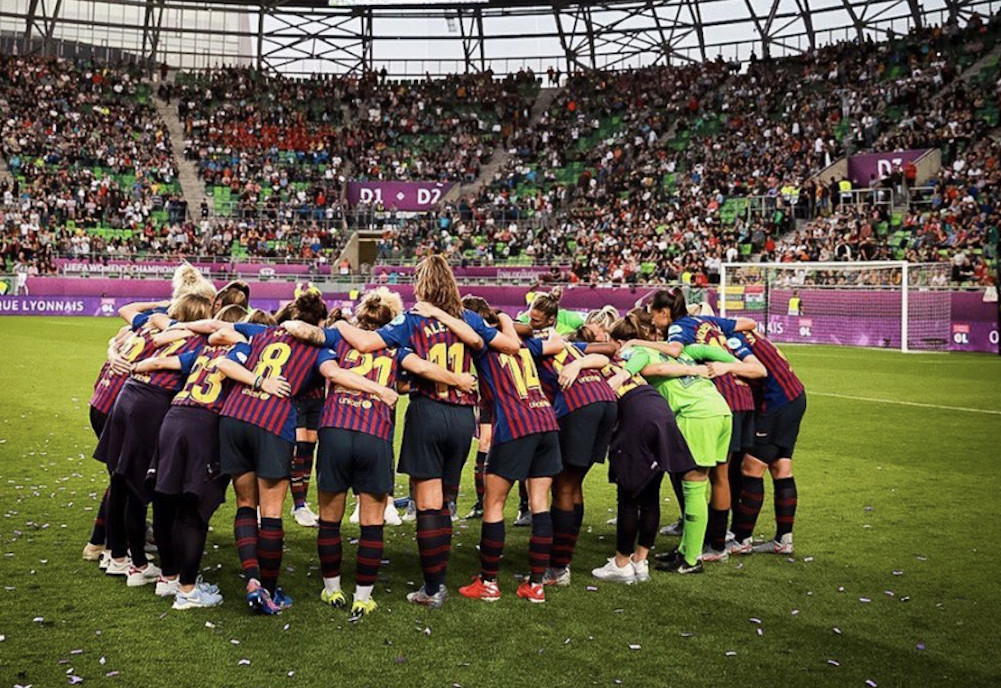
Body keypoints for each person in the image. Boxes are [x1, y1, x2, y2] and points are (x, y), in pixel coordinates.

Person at [322, 255, 520, 609]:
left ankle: (433, 588)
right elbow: (510, 346)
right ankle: (436, 582)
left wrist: (338, 327)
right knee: (444, 500)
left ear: (421, 284)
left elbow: (367, 345)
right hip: (463, 418)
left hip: (428, 411)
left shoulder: (412, 318)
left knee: (427, 502)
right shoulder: (469, 319)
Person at [282, 288, 476, 620]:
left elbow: (299, 331)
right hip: (374, 435)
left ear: (359, 317)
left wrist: (337, 327)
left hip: (335, 430)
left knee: (330, 519)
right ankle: (363, 597)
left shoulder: (337, 341)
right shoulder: (397, 349)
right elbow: (423, 371)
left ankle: (331, 590)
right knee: (372, 522)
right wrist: (458, 380)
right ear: (391, 322)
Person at [209, 290, 329, 614]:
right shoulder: (319, 349)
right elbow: (334, 373)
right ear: (319, 322)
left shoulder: (261, 331)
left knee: (246, 504)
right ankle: (271, 592)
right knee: (272, 511)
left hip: (234, 417)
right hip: (272, 423)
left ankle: (251, 580)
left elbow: (219, 332)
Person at [144, 304, 264, 609]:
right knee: (193, 510)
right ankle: (187, 591)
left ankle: (168, 576)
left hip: (173, 417)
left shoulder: (202, 352)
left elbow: (159, 361)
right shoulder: (243, 349)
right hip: (203, 425)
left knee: (165, 500)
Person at [94, 294, 213, 587]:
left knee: (120, 480)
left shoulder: (165, 331)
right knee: (138, 488)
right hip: (150, 405)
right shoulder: (201, 343)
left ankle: (116, 554)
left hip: (125, 397)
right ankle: (137, 565)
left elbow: (149, 333)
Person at [643, 290, 762, 561]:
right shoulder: (706, 322)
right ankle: (713, 541)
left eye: (653, 314)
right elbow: (749, 323)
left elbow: (674, 350)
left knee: (703, 475)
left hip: (715, 395)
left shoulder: (677, 327)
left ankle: (711, 544)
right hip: (742, 396)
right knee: (723, 475)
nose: (653, 321)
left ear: (664, 312)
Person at [456, 297, 561, 604]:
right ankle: (536, 584)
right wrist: (506, 319)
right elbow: (555, 345)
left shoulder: (483, 346)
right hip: (546, 421)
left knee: (494, 502)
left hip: (516, 425)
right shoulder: (524, 346)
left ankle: (488, 582)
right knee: (540, 501)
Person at [592, 313, 698, 582]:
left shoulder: (604, 360)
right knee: (650, 494)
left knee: (628, 497)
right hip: (660, 411)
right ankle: (640, 562)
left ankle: (621, 564)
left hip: (636, 415)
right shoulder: (630, 356)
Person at [705, 325, 807, 556]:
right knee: (782, 467)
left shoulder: (732, 341)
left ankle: (742, 539)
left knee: (751, 468)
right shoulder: (746, 333)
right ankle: (784, 539)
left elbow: (759, 370)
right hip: (795, 396)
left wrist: (726, 367)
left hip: (777, 403)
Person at [526, 328, 614, 587]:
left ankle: (558, 567)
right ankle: (563, 558)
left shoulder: (530, 350)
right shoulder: (566, 345)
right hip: (606, 401)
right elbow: (606, 356)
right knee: (574, 483)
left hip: (578, 405)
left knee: (563, 485)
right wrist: (578, 362)